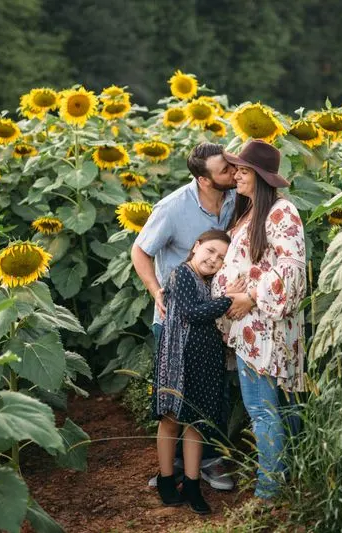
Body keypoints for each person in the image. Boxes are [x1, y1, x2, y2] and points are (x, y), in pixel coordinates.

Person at [131, 142, 237, 491]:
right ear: (204, 180)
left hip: (217, 319)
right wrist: (156, 291)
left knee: (210, 390)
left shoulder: (235, 199)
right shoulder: (173, 208)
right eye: (225, 170)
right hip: (177, 320)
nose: (233, 172)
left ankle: (205, 462)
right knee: (175, 395)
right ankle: (172, 467)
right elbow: (140, 251)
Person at [211, 140, 307, 500]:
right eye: (236, 168)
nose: (236, 174)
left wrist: (249, 295)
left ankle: (270, 490)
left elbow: (291, 275)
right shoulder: (252, 211)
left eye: (244, 170)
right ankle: (289, 478)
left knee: (263, 409)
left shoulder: (281, 213)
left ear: (262, 178)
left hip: (264, 328)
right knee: (274, 406)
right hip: (250, 327)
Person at [151, 230, 246, 514]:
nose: (214, 259)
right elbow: (192, 313)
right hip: (178, 362)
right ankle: (167, 480)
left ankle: (192, 484)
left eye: (221, 258)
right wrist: (230, 299)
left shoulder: (207, 282)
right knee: (171, 420)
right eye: (210, 251)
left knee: (196, 424)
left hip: (203, 362)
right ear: (196, 246)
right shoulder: (181, 274)